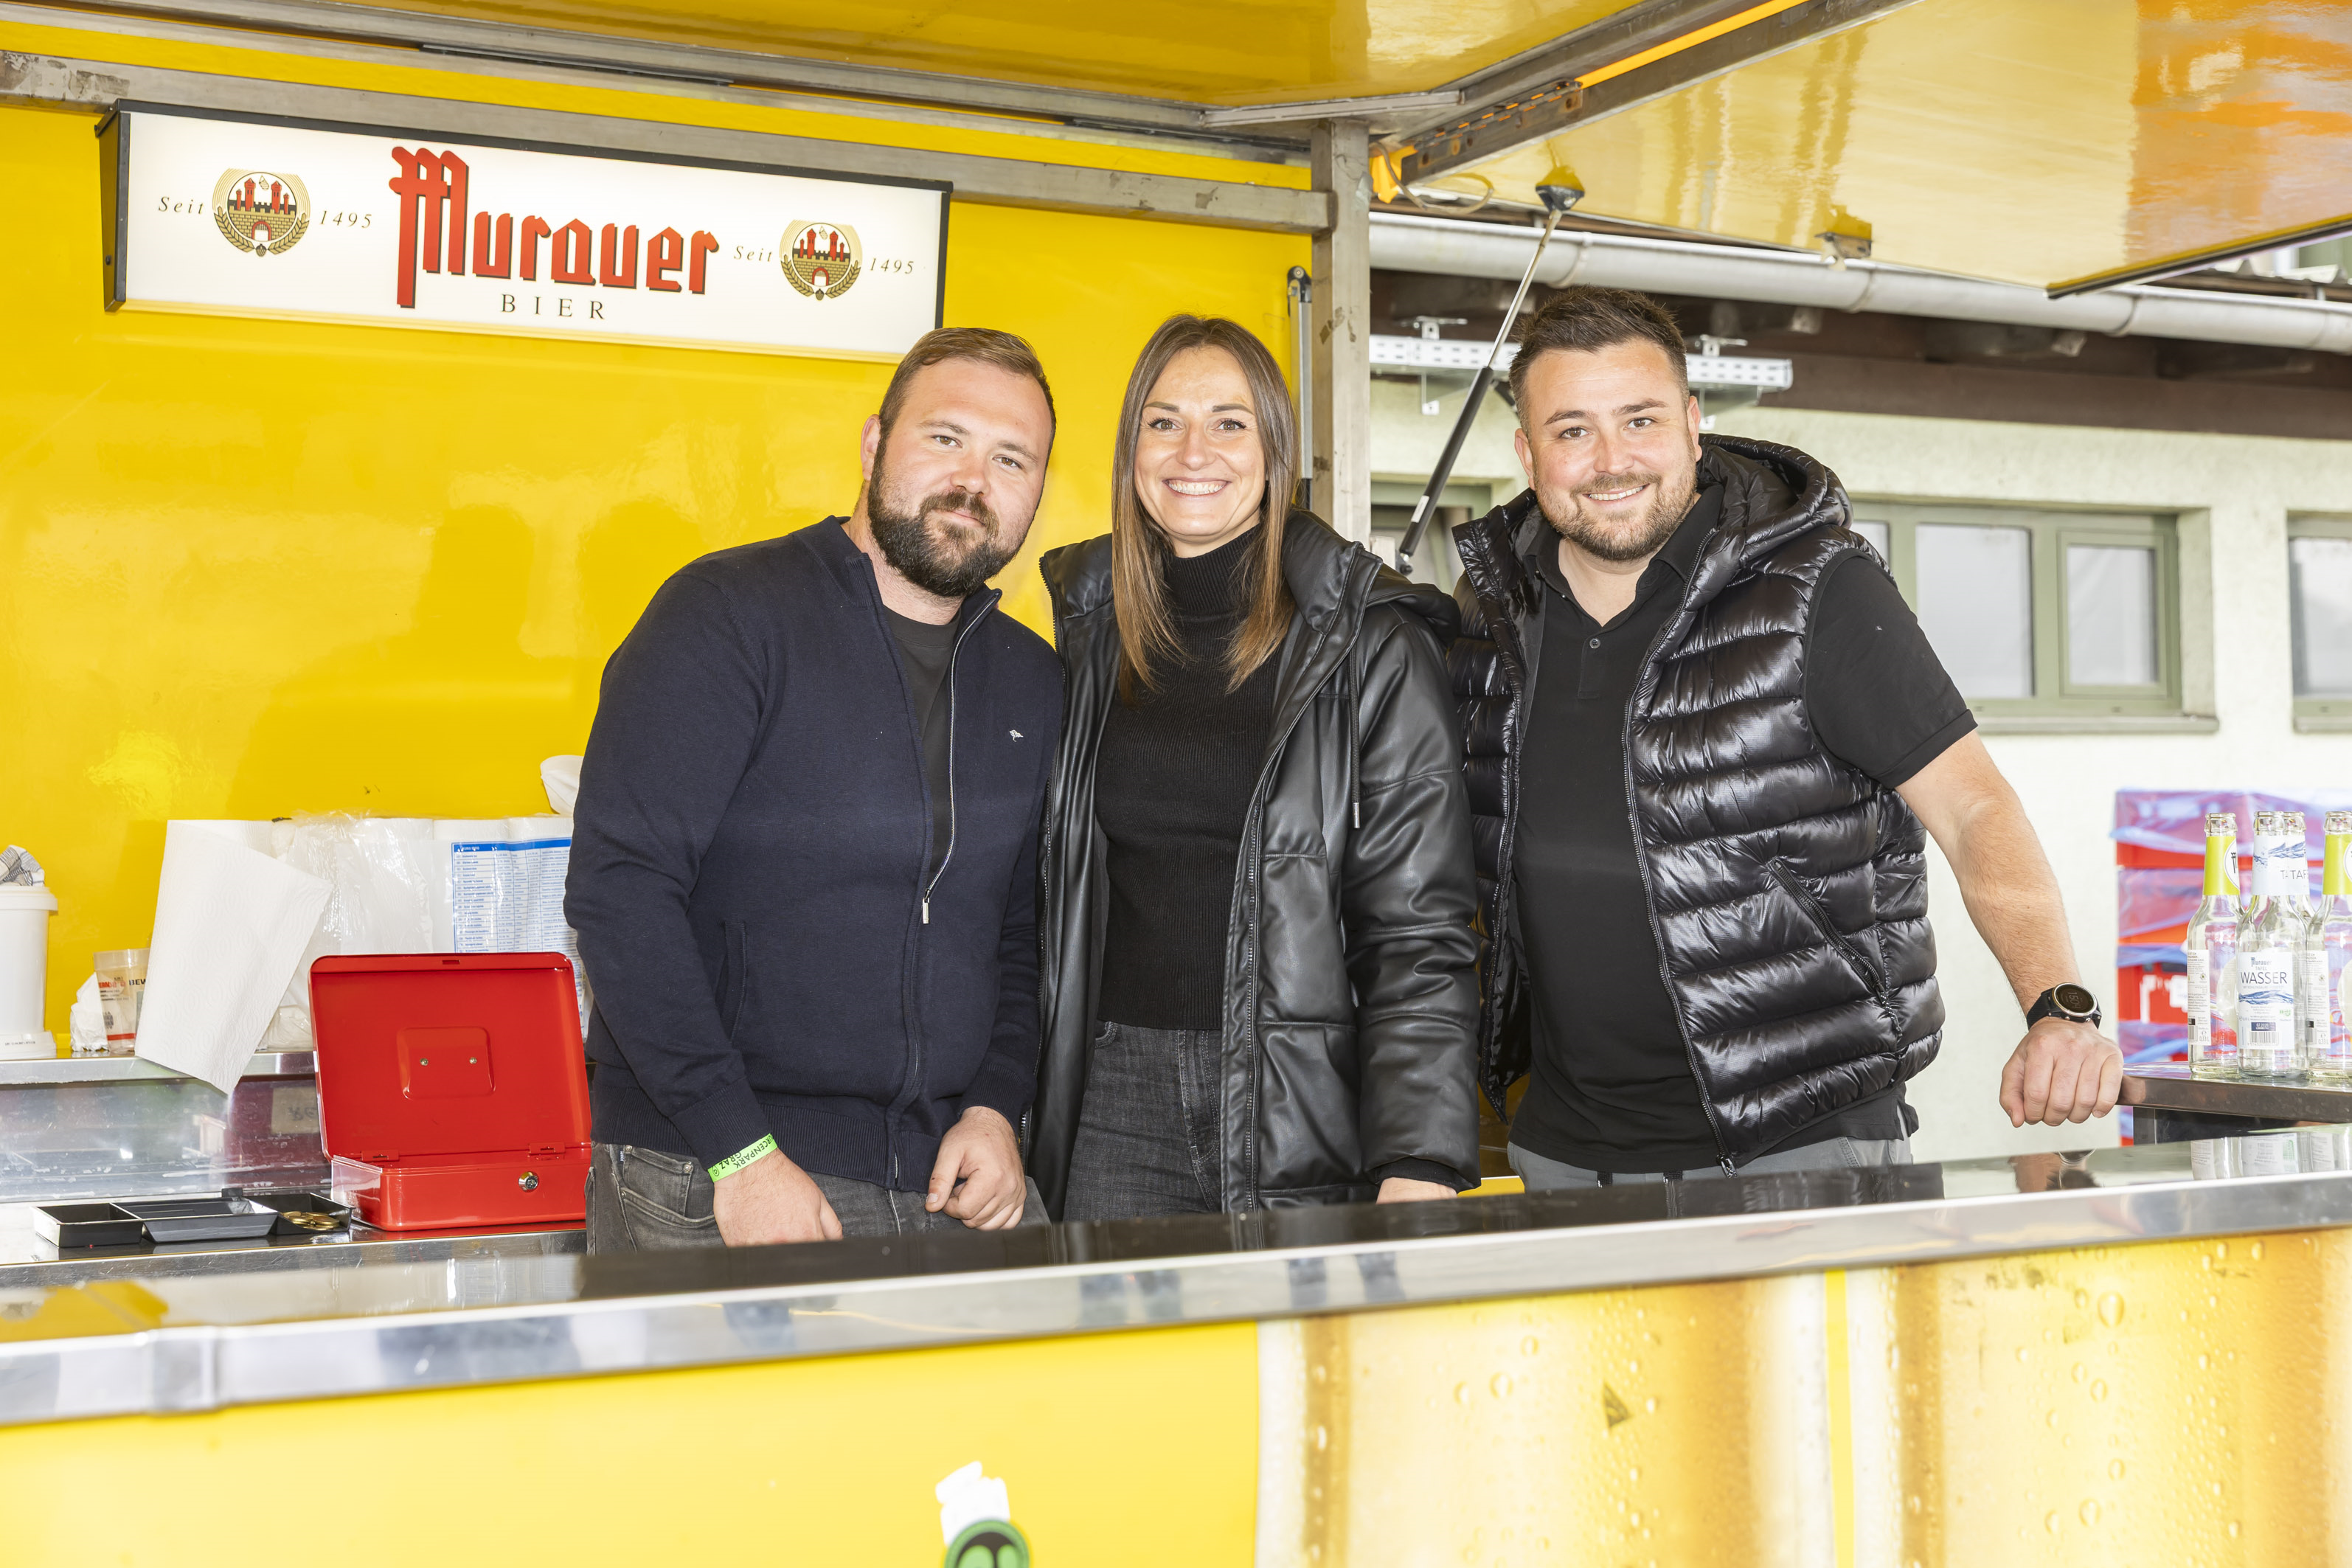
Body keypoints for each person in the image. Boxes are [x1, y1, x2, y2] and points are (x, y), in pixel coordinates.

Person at [1451, 285, 2123, 1190]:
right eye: (1572, 430)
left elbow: (1973, 809)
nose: (1611, 460)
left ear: (1693, 424)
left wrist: (2060, 1007)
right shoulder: (1489, 609)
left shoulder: (1814, 590)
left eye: (1640, 419)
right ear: (1529, 453)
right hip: (1563, 1156)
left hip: (1801, 1153)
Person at [566, 327, 1064, 1246]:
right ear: (876, 446)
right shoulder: (726, 616)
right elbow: (621, 891)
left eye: (1011, 458)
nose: (972, 479)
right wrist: (739, 1150)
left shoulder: (1032, 679)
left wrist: (996, 1106)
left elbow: (1018, 932)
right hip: (707, 1178)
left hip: (944, 1179)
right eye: (944, 438)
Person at [1030, 314, 1481, 1220]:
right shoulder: (1085, 626)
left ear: (1276, 450)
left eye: (1230, 422)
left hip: (1302, 1101)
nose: (1194, 450)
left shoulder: (1372, 642)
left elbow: (1417, 929)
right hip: (1113, 1099)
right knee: (1116, 1361)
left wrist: (1421, 1155)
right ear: (1130, 451)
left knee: (1289, 1366)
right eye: (1164, 422)